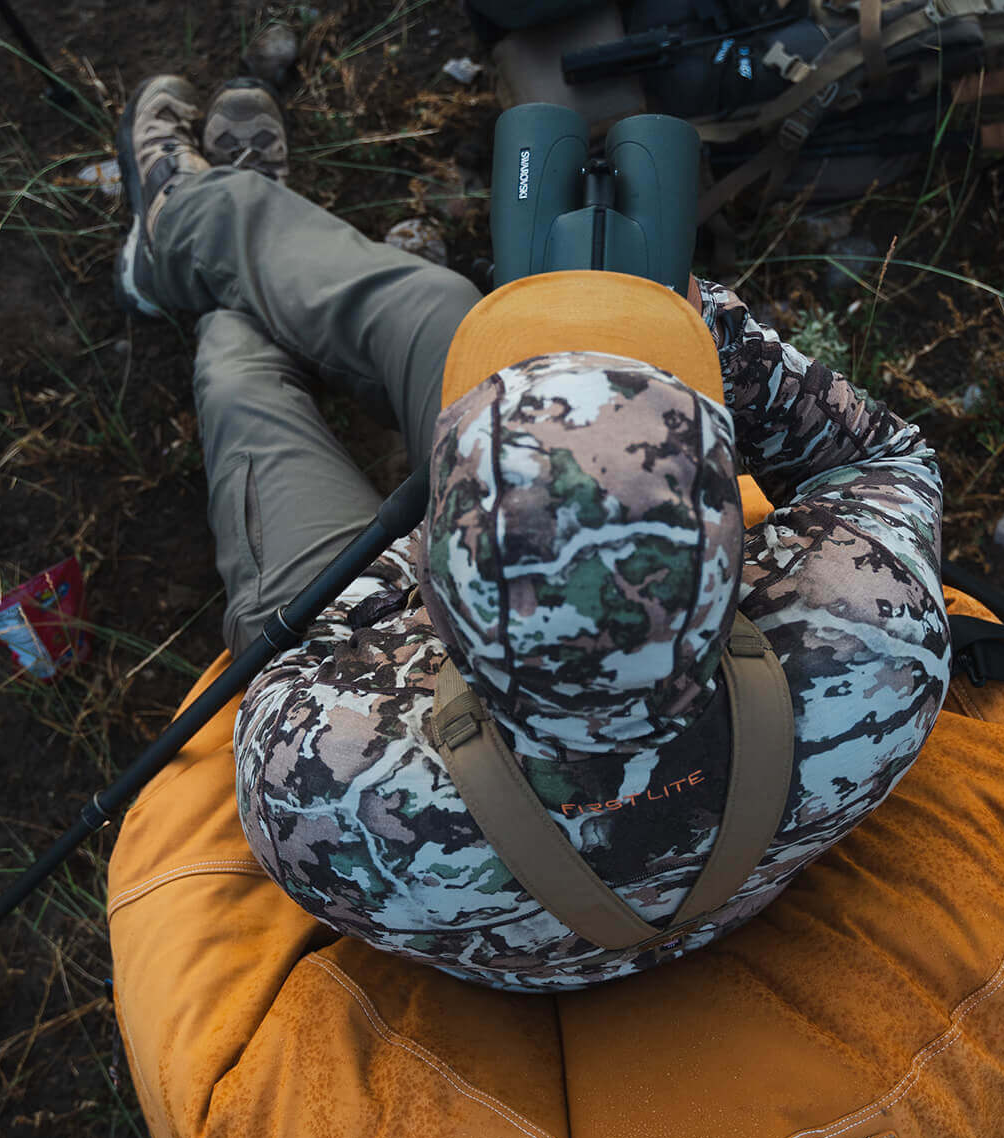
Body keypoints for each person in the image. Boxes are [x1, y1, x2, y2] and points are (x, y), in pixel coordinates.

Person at [116, 74, 951, 993]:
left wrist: (462, 517)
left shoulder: (319, 782)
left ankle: (188, 239)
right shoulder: (874, 644)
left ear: (440, 582)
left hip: (356, 616)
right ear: (729, 555)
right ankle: (228, 247)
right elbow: (885, 460)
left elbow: (310, 644)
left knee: (249, 377)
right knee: (433, 305)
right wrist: (710, 338)